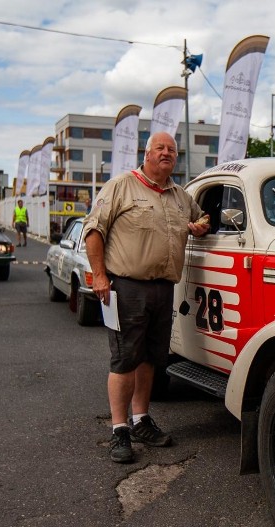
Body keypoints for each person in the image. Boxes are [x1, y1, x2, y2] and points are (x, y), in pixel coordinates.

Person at [83, 132, 210, 464]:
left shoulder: (181, 196)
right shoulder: (121, 186)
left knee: (151, 359)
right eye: (161, 148)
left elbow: (202, 217)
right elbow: (93, 230)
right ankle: (119, 429)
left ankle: (141, 420)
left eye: (172, 150)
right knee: (125, 359)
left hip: (163, 288)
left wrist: (201, 226)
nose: (167, 153)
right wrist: (99, 275)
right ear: (147, 153)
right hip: (126, 287)